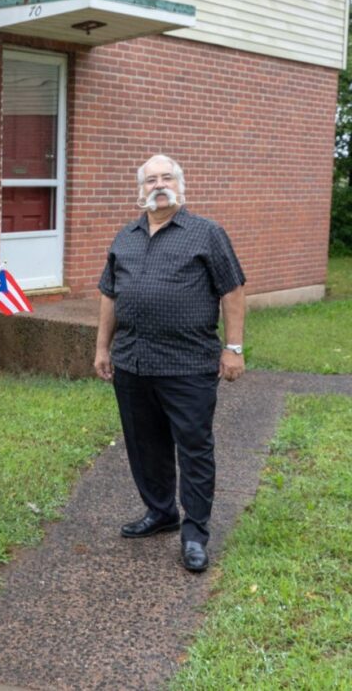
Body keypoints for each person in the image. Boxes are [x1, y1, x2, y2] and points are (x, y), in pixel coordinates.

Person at [94, 154, 246, 573]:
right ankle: (161, 512)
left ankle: (195, 533)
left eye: (166, 178)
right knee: (145, 445)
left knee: (194, 448)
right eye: (150, 180)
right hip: (133, 363)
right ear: (139, 190)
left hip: (187, 364)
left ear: (180, 185)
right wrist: (102, 348)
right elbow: (110, 294)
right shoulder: (124, 237)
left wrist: (234, 347)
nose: (158, 185)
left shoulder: (206, 234)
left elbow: (232, 291)